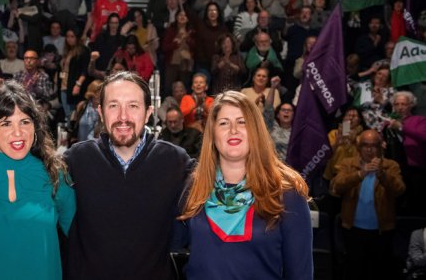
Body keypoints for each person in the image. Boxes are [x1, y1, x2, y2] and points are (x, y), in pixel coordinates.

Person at [63, 71, 194, 279]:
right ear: (101, 112)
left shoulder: (176, 162)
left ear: (149, 112)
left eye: (133, 106)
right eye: (113, 106)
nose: (123, 116)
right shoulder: (75, 160)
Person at [174, 90, 312, 279]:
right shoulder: (195, 186)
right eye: (223, 123)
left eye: (242, 122)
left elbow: (300, 274)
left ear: (256, 130)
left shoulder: (287, 193)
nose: (233, 130)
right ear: (213, 135)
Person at [0, 80, 75, 279]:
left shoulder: (55, 174)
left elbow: (81, 243)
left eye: (25, 122)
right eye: (6, 123)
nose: (18, 133)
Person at [330, 130, 405, 280]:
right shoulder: (348, 164)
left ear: (380, 147)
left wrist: (382, 174)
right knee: (355, 271)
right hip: (353, 229)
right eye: (365, 145)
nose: (369, 149)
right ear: (359, 147)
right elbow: (336, 186)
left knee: (377, 272)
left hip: (381, 231)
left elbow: (399, 190)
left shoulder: (390, 166)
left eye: (373, 146)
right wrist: (359, 174)